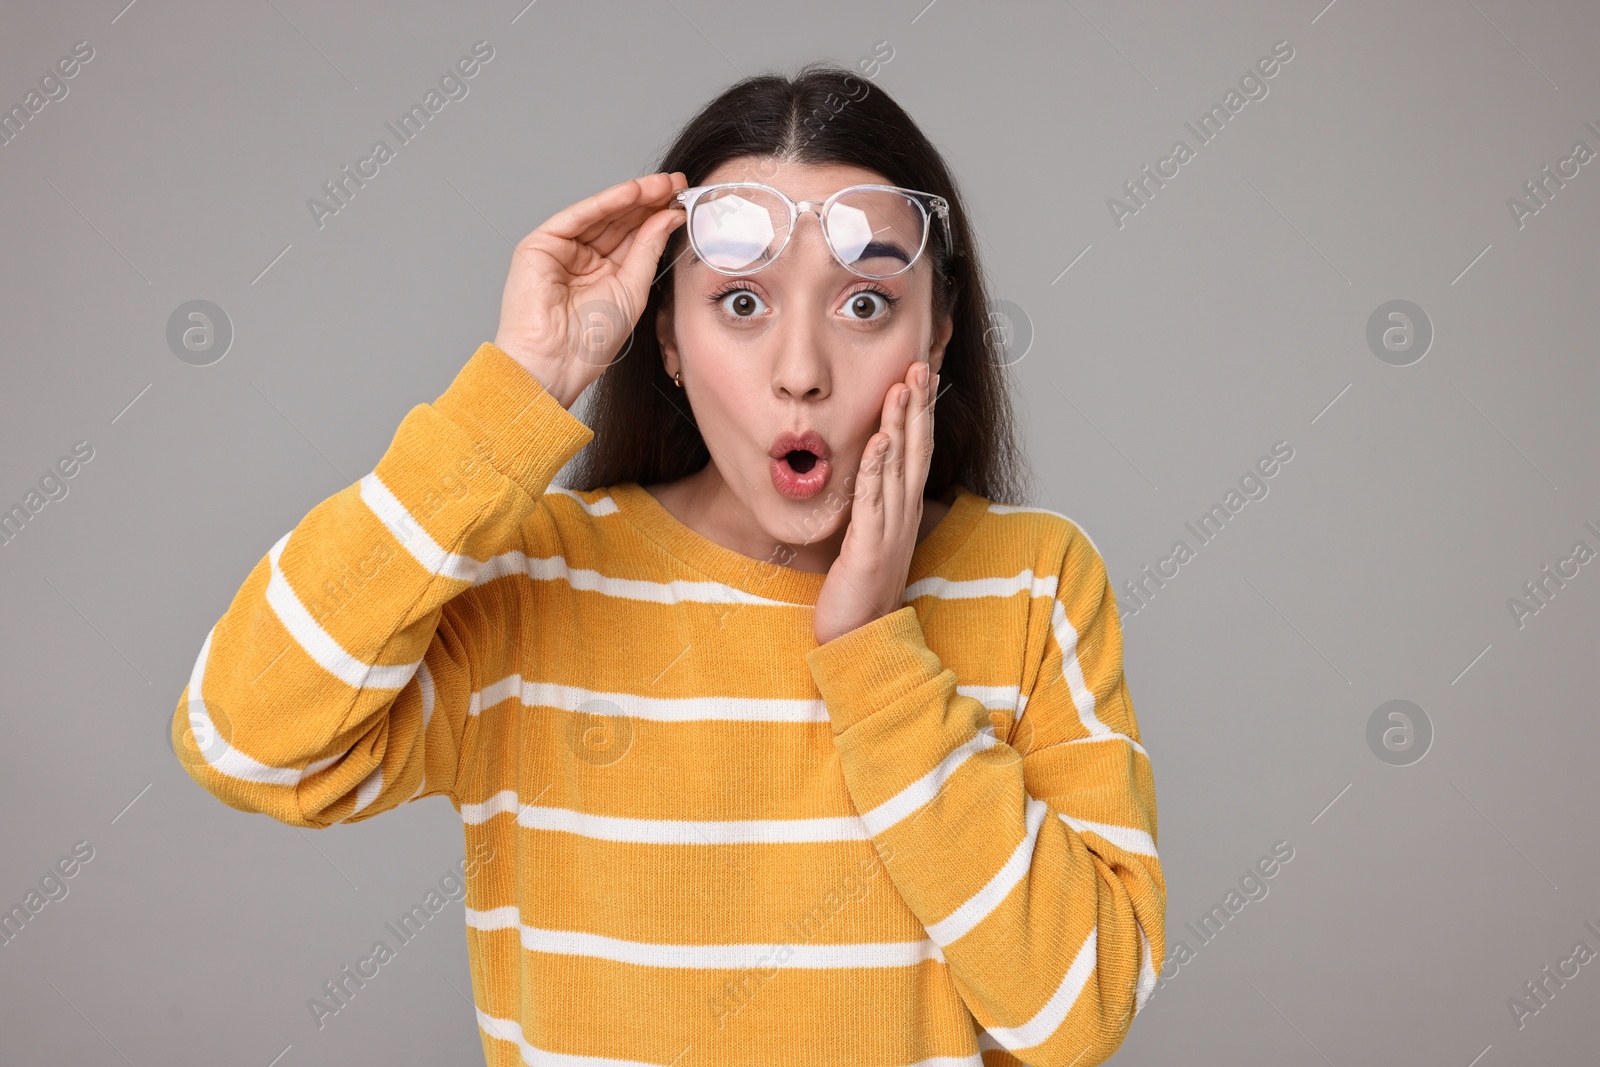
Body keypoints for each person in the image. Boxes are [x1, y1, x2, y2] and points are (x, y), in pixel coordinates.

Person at [170, 62, 1165, 1067]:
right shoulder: (537, 577)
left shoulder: (1032, 580)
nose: (801, 370)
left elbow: (1079, 1012)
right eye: (740, 303)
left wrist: (872, 652)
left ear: (939, 333)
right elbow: (244, 739)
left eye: (864, 305)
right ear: (668, 340)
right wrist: (511, 397)